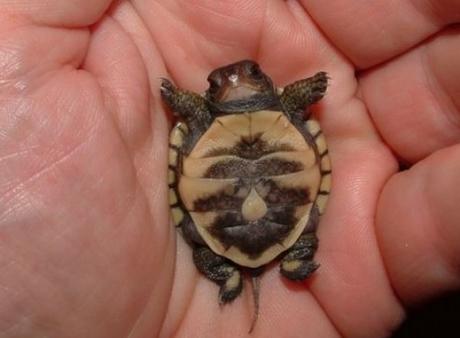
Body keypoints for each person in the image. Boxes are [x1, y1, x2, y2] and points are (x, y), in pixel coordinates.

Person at [0, 1, 459, 337]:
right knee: (252, 244)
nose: (235, 82)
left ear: (265, 82)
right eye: (219, 82)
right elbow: (296, 106)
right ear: (211, 93)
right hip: (276, 196)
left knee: (223, 249)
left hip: (236, 202)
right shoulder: (215, 111)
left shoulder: (200, 116)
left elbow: (286, 99)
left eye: (248, 75)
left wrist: (182, 100)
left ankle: (256, 266)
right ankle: (260, 266)